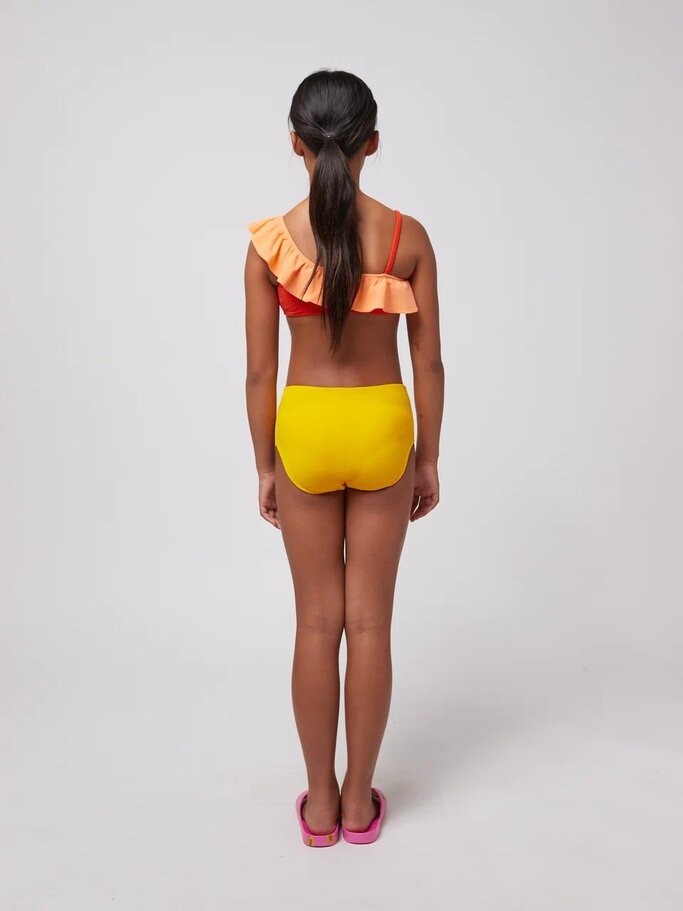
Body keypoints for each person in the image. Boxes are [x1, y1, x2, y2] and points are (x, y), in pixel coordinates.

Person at [244, 69, 444, 846]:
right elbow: (427, 361)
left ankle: (320, 806)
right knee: (368, 623)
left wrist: (266, 465)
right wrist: (427, 458)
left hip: (305, 429)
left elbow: (260, 372)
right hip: (382, 427)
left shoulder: (270, 245)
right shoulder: (406, 238)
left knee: (315, 622)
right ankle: (360, 803)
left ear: (295, 144)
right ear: (372, 144)